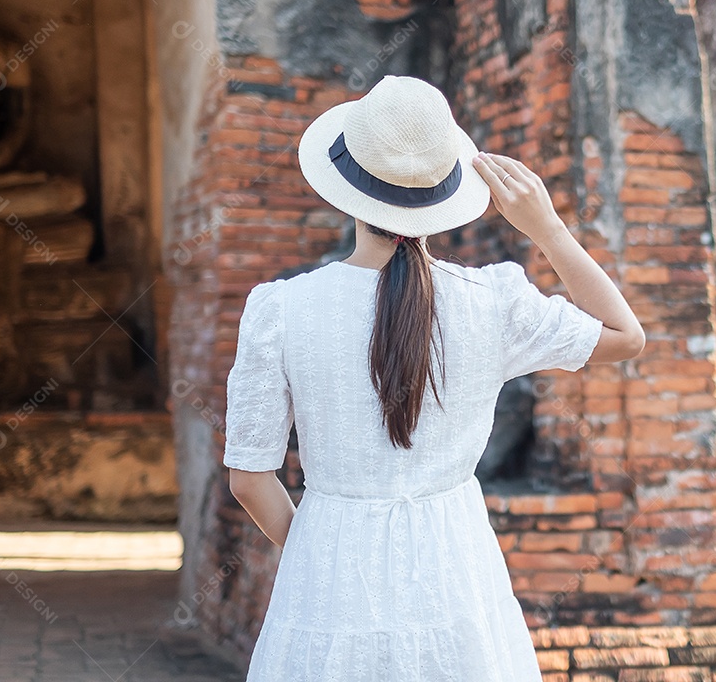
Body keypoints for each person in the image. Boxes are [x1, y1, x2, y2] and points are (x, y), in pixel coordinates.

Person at [223, 75, 645, 681]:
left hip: (330, 569)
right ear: (444, 194)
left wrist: (319, 553)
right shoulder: (494, 301)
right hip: (457, 567)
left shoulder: (280, 309)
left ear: (346, 192)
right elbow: (625, 336)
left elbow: (248, 479)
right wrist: (547, 228)